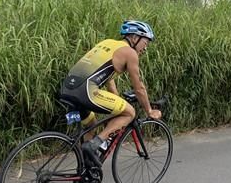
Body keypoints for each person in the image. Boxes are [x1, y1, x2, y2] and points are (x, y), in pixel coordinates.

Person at [60, 20, 162, 168]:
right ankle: (95, 144)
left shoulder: (108, 43)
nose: (146, 48)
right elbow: (139, 87)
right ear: (134, 38)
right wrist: (149, 110)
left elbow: (108, 79)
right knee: (130, 113)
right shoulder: (130, 53)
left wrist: (118, 101)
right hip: (86, 91)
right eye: (145, 42)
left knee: (91, 125)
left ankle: (85, 169)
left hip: (68, 88)